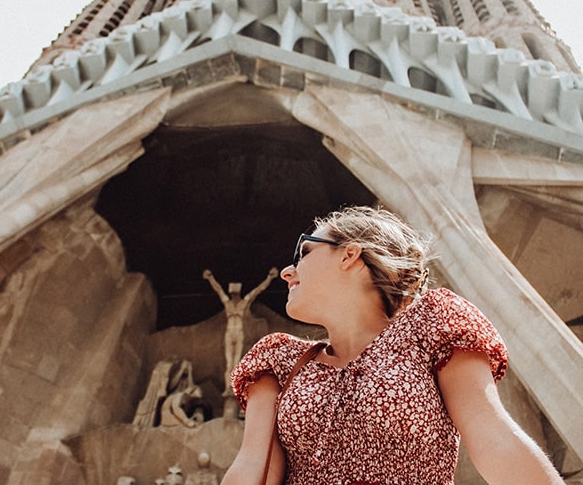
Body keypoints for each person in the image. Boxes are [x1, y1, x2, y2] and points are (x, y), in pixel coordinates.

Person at [221, 206, 566, 485]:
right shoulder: (278, 360)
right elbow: (253, 468)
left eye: (305, 252)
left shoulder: (432, 327)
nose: (287, 271)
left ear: (350, 255)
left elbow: (497, 441)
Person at [203, 267, 279, 396]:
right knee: (229, 363)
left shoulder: (244, 302)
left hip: (238, 332)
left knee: (236, 362)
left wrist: (269, 278)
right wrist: (210, 278)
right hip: (230, 332)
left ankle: (233, 387)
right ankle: (228, 387)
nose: (233, 293)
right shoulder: (227, 302)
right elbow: (218, 289)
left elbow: (258, 290)